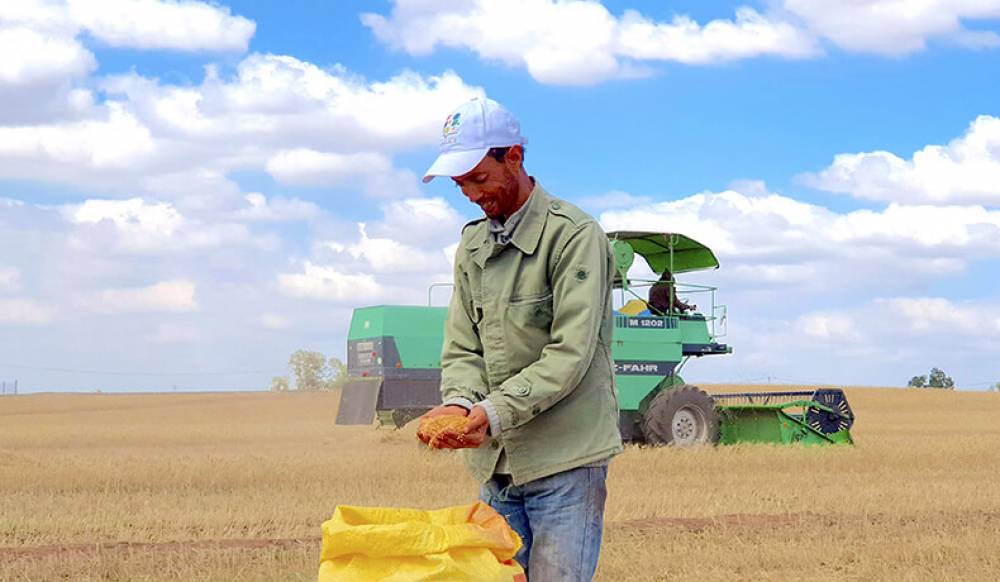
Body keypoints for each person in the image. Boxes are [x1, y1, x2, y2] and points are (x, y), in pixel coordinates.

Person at [418, 97, 623, 581]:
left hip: (565, 461)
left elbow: (569, 355)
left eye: (478, 178)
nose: (470, 193)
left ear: (513, 157)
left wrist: (489, 413)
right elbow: (464, 345)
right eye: (459, 183)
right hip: (496, 466)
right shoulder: (472, 245)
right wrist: (457, 402)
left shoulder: (574, 237)